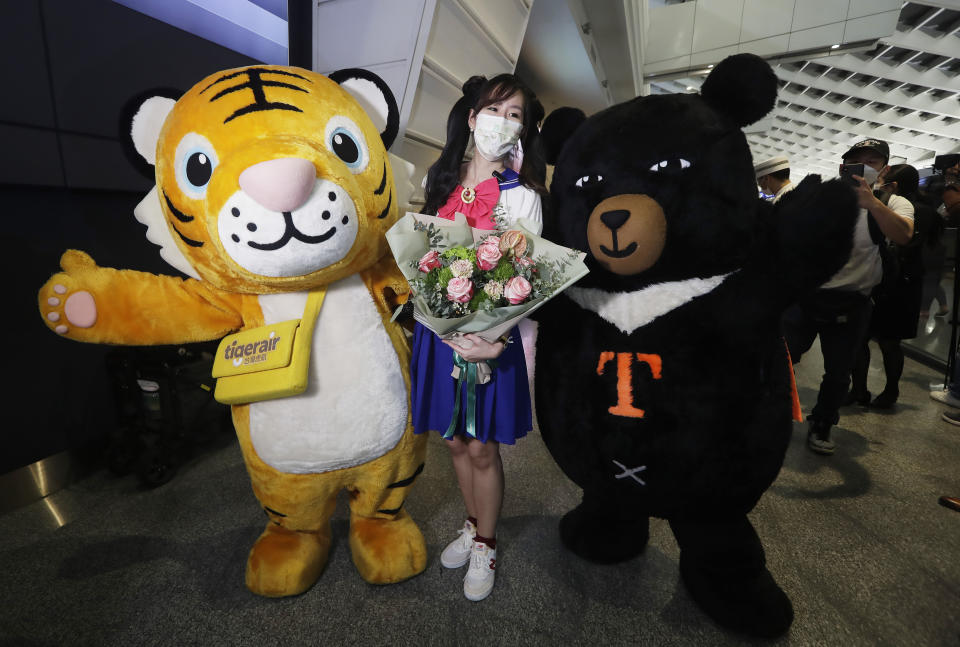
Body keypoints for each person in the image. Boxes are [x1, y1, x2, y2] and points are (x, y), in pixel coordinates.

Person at [411, 73, 545, 601]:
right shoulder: (441, 182)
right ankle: (470, 524)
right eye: (496, 110)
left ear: (523, 131)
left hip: (491, 340)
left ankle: (486, 541)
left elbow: (527, 277)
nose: (504, 122)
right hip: (438, 335)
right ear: (472, 118)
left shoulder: (522, 198)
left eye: (516, 116)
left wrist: (495, 338)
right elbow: (426, 256)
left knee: (482, 448)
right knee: (452, 439)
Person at [783, 139, 914, 455]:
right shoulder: (820, 198)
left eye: (874, 161)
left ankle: (822, 423)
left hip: (853, 302)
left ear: (884, 169)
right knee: (781, 359)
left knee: (839, 372)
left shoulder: (895, 202)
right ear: (843, 166)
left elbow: (904, 235)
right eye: (858, 160)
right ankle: (765, 413)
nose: (866, 165)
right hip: (805, 297)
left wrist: (873, 203)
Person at [848, 164, 928, 409]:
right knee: (882, 341)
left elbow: (903, 240)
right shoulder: (921, 209)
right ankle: (872, 390)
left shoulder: (901, 208)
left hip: (895, 284)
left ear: (894, 184)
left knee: (880, 340)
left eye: (883, 177)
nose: (878, 180)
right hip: (896, 283)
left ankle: (875, 390)